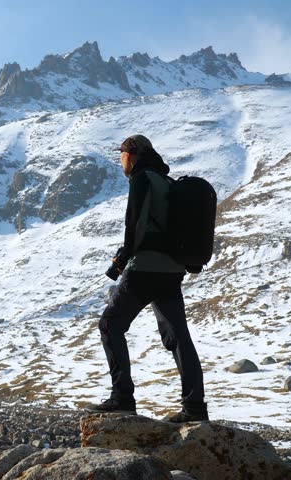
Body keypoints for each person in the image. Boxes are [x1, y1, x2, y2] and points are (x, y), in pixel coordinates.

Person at [86, 134, 208, 423]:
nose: (121, 161)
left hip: (145, 268)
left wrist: (123, 259)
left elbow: (135, 223)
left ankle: (122, 398)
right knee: (178, 337)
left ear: (133, 155)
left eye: (122, 155)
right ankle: (195, 408)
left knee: (110, 324)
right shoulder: (166, 182)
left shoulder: (142, 179)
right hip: (171, 270)